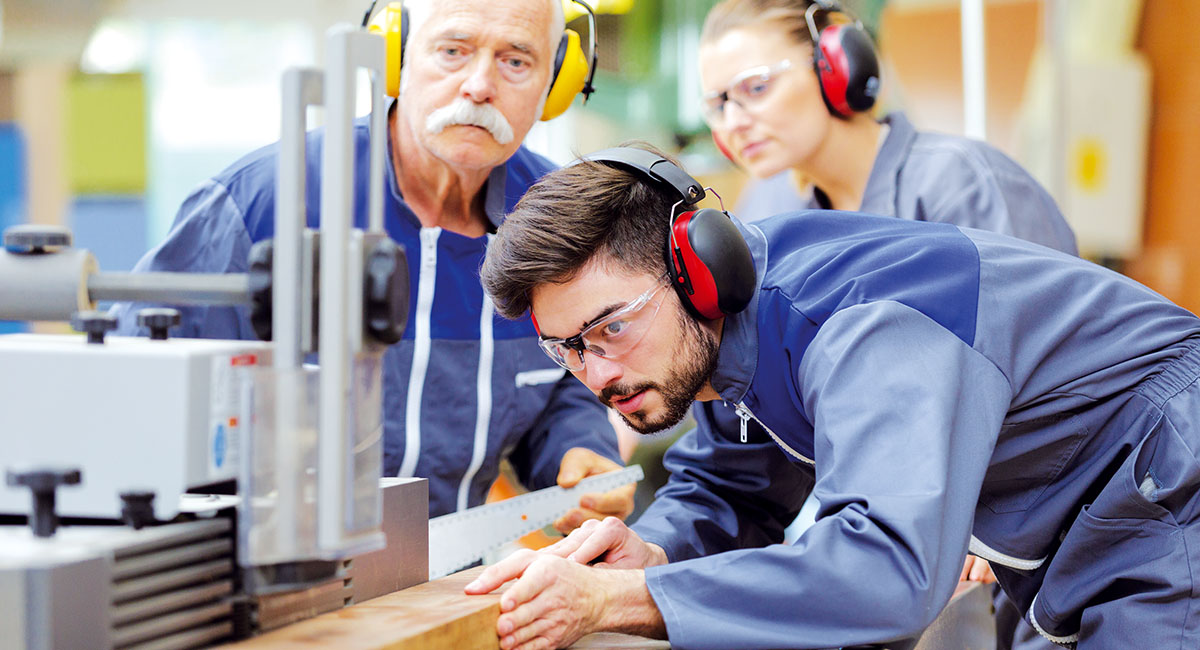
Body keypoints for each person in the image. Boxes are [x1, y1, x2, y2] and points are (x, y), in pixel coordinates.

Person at [466, 144, 1200, 650]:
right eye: (566, 349)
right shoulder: (727, 339)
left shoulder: (858, 323)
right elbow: (733, 487)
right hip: (1092, 534)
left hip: (1173, 489)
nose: (595, 374)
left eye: (610, 328)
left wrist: (613, 602)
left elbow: (889, 569)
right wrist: (653, 553)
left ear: (698, 269)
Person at [109, 0, 633, 527]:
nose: (479, 85)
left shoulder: (561, 219)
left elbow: (564, 380)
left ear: (555, 82)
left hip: (440, 587)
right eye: (453, 51)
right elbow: (136, 384)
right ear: (396, 54)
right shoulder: (263, 201)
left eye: (516, 62)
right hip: (268, 566)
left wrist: (577, 450)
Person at [698, 2, 1077, 642]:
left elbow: (1057, 390)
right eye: (718, 103)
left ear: (837, 67)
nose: (736, 120)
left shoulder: (963, 183)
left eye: (756, 88)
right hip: (908, 540)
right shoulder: (766, 215)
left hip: (1049, 529)